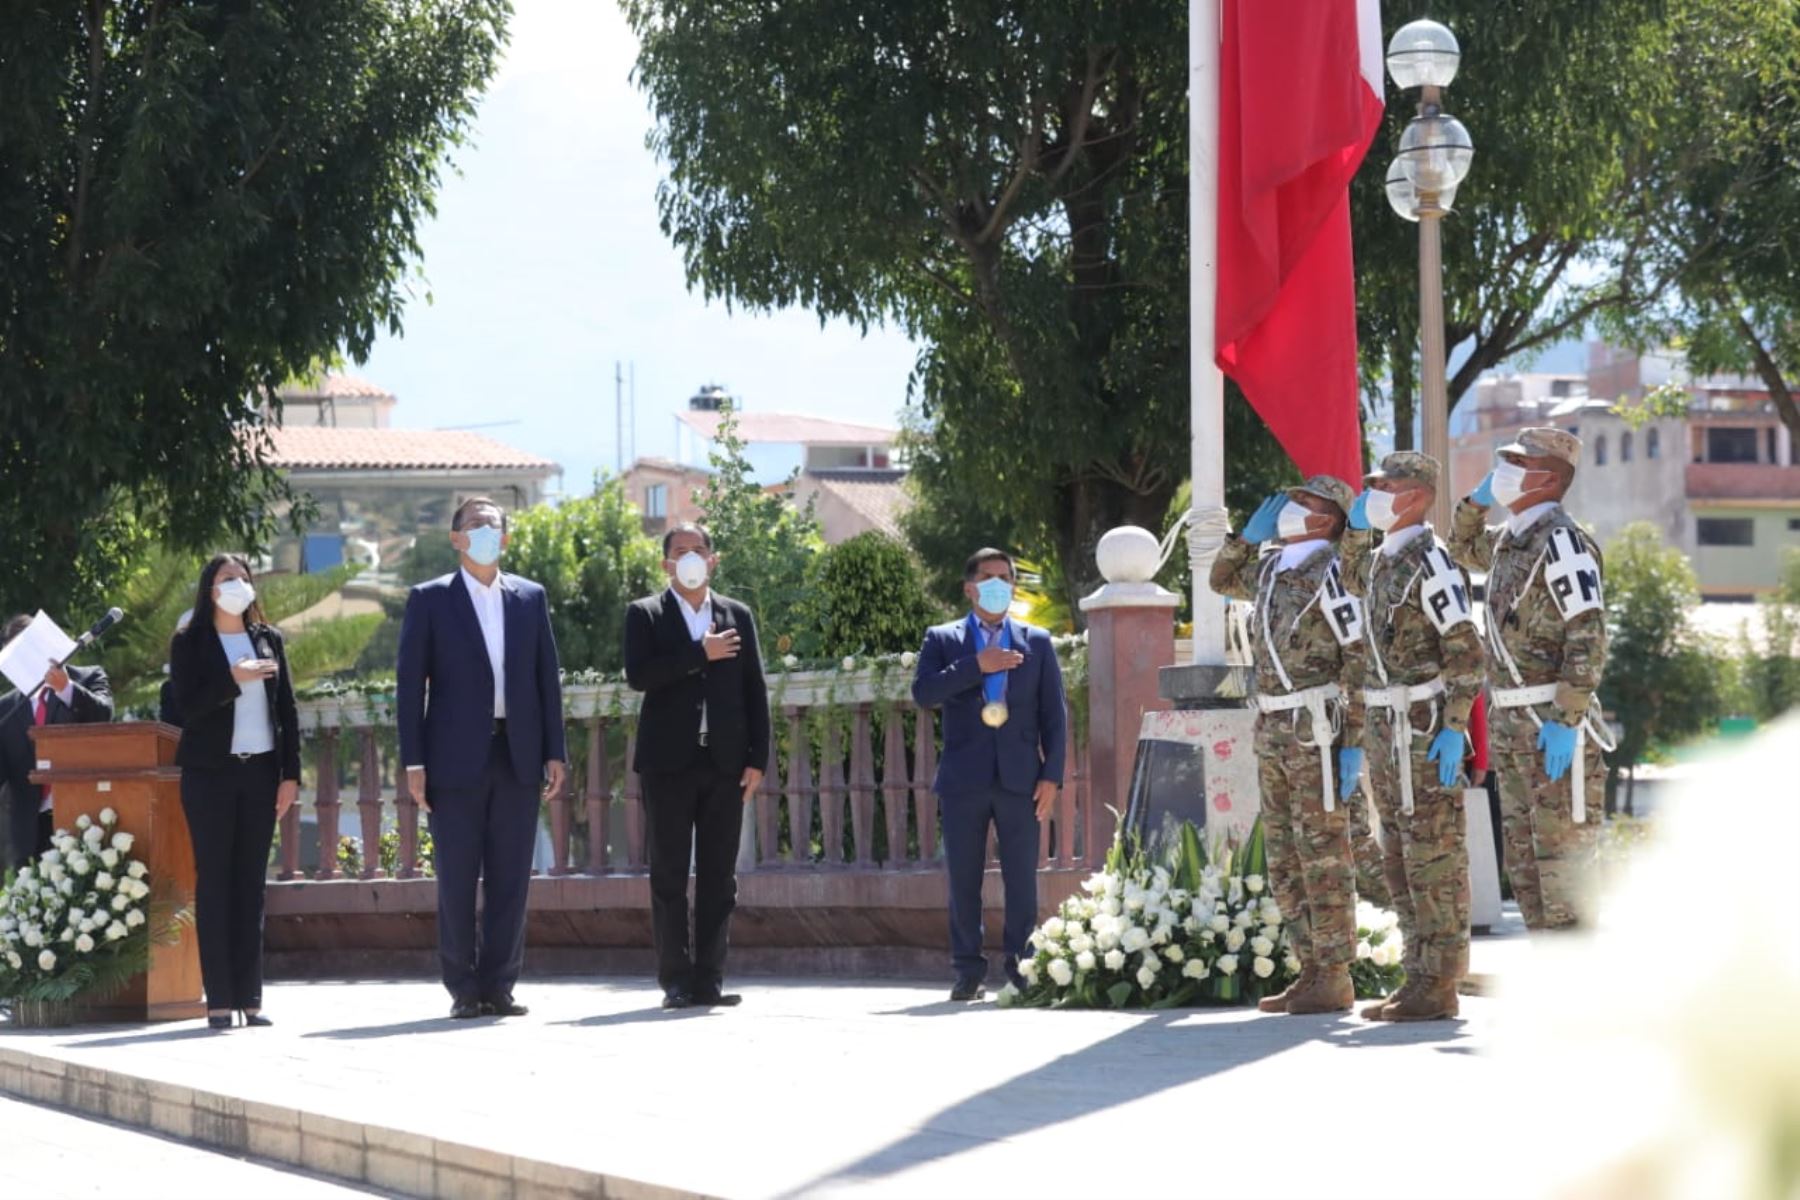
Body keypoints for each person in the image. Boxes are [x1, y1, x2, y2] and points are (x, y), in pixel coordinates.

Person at [397, 497, 567, 1020]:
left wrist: (555, 752)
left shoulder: (528, 597)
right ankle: (463, 986)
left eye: (493, 526)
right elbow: (410, 686)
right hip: (453, 759)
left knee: (512, 876)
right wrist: (414, 763)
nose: (485, 533)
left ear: (506, 539)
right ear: (456, 539)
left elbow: (546, 678)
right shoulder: (429, 600)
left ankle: (500, 985)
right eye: (475, 526)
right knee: (456, 876)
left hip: (517, 754)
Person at [1211, 477, 1367, 1015]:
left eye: (1306, 503)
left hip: (1315, 725)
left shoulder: (1336, 575)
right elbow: (1222, 578)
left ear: (1332, 518)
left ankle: (1336, 971)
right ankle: (1310, 967)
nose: (1291, 508)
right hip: (1273, 726)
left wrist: (1356, 742)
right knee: (1284, 854)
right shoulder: (1274, 567)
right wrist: (1245, 537)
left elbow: (1360, 660)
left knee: (1322, 853)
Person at [1342, 451, 1485, 1022]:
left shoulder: (1434, 562)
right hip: (1385, 727)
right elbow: (1349, 575)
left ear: (1418, 496)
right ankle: (1417, 974)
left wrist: (1454, 730)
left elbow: (1466, 653)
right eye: (1372, 485)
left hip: (1424, 729)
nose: (1375, 494)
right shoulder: (1381, 561)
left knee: (1435, 859)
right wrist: (1354, 531)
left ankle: (1442, 983)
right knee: (1399, 858)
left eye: (1387, 487)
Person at [1449, 428, 1610, 932]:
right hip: (1512, 720)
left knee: (1563, 868)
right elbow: (1461, 547)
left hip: (1549, 720)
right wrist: (1474, 503)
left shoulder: (1562, 542)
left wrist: (1566, 716)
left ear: (1546, 477)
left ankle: (1581, 995)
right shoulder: (1510, 541)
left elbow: (1588, 634)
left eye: (1517, 462)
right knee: (1524, 868)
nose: (1505, 470)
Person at [623, 522, 770, 1010]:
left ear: (713, 559)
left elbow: (755, 690)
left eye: (698, 549)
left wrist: (758, 760)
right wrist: (697, 655)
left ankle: (710, 979)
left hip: (724, 763)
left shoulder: (736, 614)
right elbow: (639, 675)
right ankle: (675, 980)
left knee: (718, 877)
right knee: (667, 873)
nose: (690, 557)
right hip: (667, 764)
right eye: (680, 551)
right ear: (666, 563)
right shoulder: (644, 614)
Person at [911, 548, 1066, 1002]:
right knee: (964, 878)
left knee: (1022, 877)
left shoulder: (1036, 642)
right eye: (987, 576)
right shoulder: (943, 638)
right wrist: (975, 666)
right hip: (964, 778)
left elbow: (1053, 716)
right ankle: (968, 970)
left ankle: (1021, 967)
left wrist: (1051, 776)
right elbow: (924, 692)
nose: (997, 583)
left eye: (1005, 577)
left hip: (1021, 777)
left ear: (1014, 586)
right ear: (969, 587)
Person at [169, 556, 301, 1030]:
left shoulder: (269, 639)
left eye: (244, 578)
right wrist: (233, 680)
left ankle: (251, 998)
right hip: (210, 776)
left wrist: (291, 775)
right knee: (216, 883)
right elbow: (185, 705)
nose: (239, 586)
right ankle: (219, 1000)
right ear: (210, 590)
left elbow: (287, 708)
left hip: (260, 773)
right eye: (228, 579)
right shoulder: (191, 642)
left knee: (251, 886)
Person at [0, 613, 115, 869]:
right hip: (31, 834)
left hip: (85, 821)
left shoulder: (88, 678)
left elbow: (104, 716)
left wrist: (66, 689)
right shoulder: (5, 709)